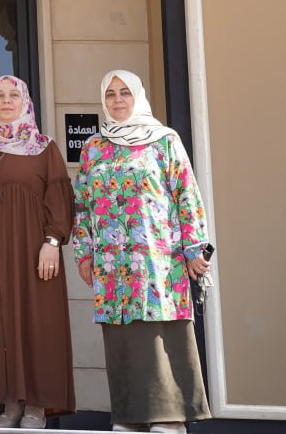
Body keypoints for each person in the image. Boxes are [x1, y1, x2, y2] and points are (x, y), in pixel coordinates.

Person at [72, 70, 212, 434]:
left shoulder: (164, 140)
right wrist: (83, 252)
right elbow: (82, 204)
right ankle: (130, 417)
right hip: (111, 264)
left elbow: (187, 195)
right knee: (122, 337)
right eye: (111, 94)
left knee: (159, 332)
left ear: (138, 97)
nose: (118, 100)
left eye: (125, 92)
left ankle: (169, 417)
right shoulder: (94, 147)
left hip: (158, 259)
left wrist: (194, 246)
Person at [0, 75, 75, 428]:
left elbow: (59, 197)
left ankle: (36, 405)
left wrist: (53, 242)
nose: (6, 102)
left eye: (13, 96)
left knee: (37, 323)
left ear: (25, 103)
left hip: (34, 254)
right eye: (0, 96)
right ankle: (9, 404)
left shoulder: (44, 148)